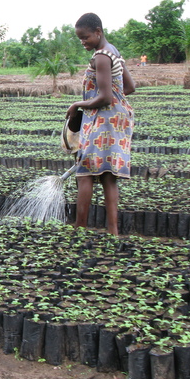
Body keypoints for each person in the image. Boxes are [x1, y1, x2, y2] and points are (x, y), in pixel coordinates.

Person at [66, 13, 135, 235]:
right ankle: (113, 231)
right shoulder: (113, 51)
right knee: (108, 174)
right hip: (117, 118)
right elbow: (129, 87)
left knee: (85, 171)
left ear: (98, 31)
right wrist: (114, 99)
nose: (83, 42)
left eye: (85, 37)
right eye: (80, 39)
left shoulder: (101, 57)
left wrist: (78, 104)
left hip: (104, 120)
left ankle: (80, 226)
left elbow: (105, 97)